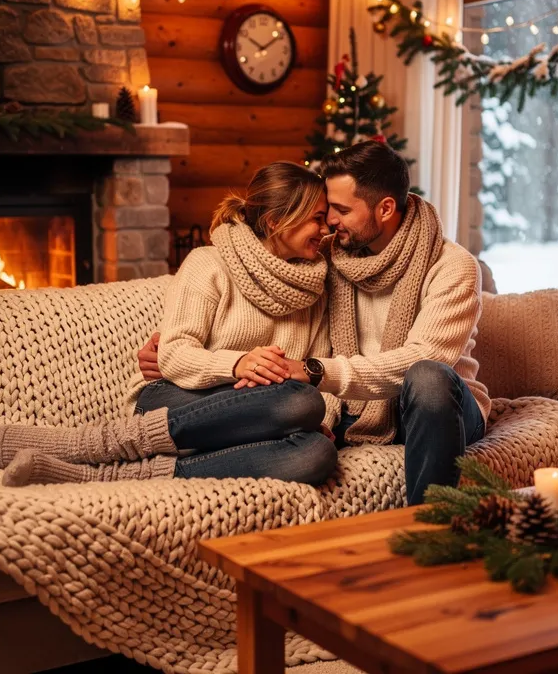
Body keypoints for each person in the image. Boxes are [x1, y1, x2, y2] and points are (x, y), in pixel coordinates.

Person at [140, 141, 488, 505]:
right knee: (302, 411)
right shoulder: (324, 259)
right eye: (324, 213)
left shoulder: (451, 266)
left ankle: (430, 532)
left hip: (435, 407)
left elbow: (413, 359)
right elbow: (190, 341)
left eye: (339, 210)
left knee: (424, 377)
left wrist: (316, 377)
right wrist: (173, 354)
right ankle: (142, 453)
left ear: (385, 208)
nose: (329, 224)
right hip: (349, 405)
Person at [0, 162, 339, 487]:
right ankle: (86, 445)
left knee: (314, 453)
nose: (325, 229)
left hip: (257, 414)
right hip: (174, 397)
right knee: (299, 403)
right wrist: (237, 364)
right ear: (277, 220)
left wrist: (325, 422)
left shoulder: (316, 290)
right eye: (316, 218)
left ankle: (112, 473)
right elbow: (174, 355)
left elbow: (318, 371)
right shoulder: (209, 263)